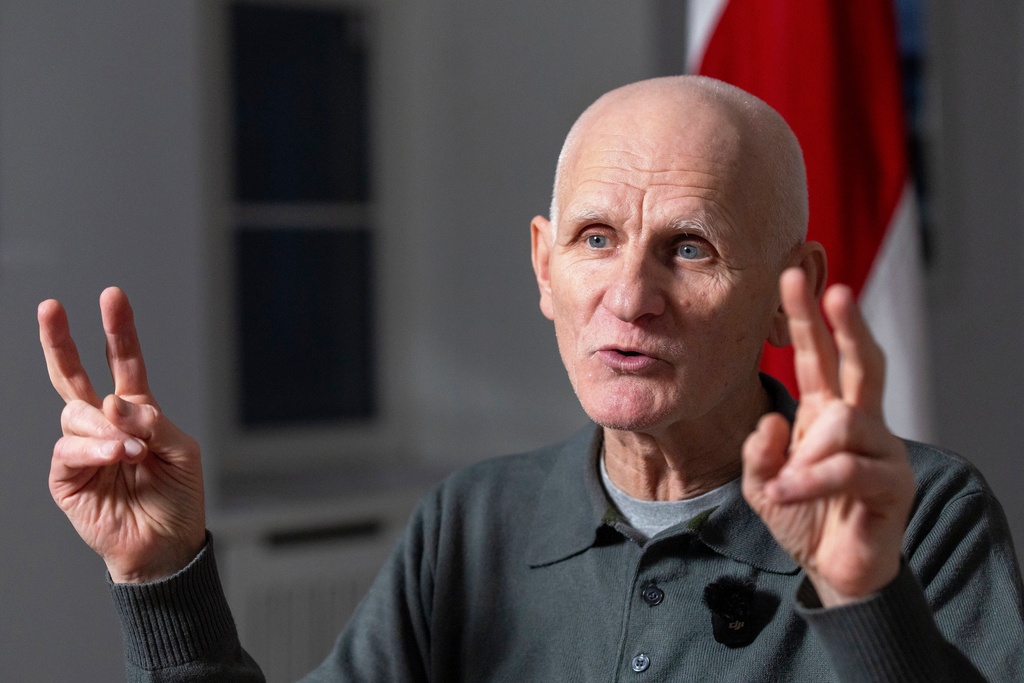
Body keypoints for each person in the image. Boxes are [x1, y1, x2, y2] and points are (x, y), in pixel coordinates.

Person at [39, 76, 1023, 681]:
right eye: (597, 238)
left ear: (786, 293)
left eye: (689, 248)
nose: (630, 295)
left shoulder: (921, 513)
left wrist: (863, 597)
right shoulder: (471, 522)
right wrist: (160, 573)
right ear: (544, 266)